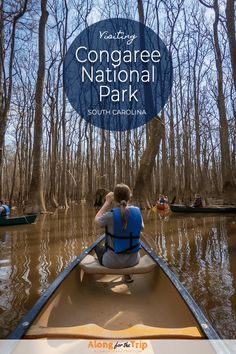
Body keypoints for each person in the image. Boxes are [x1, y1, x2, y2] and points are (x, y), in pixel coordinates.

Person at [94, 183, 144, 278]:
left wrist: (107, 203)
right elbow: (141, 229)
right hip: (134, 261)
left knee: (97, 247)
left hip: (111, 263)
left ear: (115, 198)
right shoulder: (137, 212)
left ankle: (103, 274)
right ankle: (128, 273)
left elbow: (96, 220)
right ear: (130, 197)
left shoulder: (110, 215)